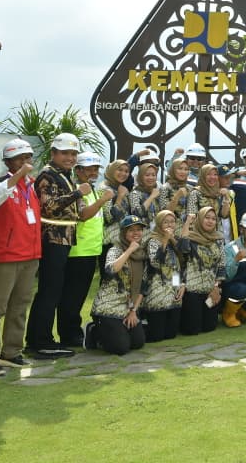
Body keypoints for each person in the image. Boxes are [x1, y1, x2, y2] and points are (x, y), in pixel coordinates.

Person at [0, 139, 41, 377]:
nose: (26, 162)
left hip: (30, 255)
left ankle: (12, 352)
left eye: (28, 158)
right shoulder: (0, 184)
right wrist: (17, 177)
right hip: (5, 257)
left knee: (19, 306)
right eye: (20, 158)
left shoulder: (31, 186)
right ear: (8, 162)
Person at [26, 133, 86, 359]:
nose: (70, 157)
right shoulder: (48, 175)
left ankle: (41, 340)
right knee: (49, 292)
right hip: (52, 238)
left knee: (53, 292)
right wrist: (78, 193)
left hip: (63, 238)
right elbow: (49, 207)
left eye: (73, 153)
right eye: (65, 153)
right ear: (54, 153)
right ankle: (40, 342)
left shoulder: (64, 175)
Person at [60, 152, 114, 348]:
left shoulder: (90, 189)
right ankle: (69, 335)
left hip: (91, 250)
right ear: (78, 170)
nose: (93, 172)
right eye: (88, 169)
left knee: (79, 295)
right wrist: (103, 200)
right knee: (72, 296)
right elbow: (83, 215)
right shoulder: (78, 189)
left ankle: (72, 333)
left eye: (95, 169)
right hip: (78, 251)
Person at [87, 215, 148, 355]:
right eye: (131, 230)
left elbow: (143, 288)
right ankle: (94, 330)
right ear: (123, 233)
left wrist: (133, 312)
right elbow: (111, 270)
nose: (136, 233)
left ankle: (116, 331)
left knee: (138, 343)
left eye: (139, 229)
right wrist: (129, 251)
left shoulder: (142, 254)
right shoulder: (115, 250)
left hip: (127, 308)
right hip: (108, 307)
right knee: (120, 348)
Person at [178, 206, 226, 335]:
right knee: (192, 330)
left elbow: (221, 264)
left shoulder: (218, 240)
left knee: (209, 327)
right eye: (207, 218)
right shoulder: (191, 238)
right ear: (199, 219)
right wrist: (188, 223)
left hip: (210, 291)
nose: (210, 221)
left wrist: (216, 287)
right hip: (192, 290)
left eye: (213, 219)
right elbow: (182, 248)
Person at [142, 210, 185, 342]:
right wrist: (166, 239)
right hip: (157, 293)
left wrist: (179, 286)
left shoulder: (174, 241)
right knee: (157, 336)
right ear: (159, 224)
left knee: (171, 334)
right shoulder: (153, 241)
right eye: (165, 222)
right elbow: (155, 262)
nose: (169, 225)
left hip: (172, 291)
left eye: (172, 222)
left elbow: (176, 268)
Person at [98, 159, 131, 268]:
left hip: (122, 240)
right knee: (108, 278)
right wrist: (120, 197)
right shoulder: (105, 189)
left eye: (126, 171)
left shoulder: (119, 188)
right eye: (120, 170)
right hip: (109, 242)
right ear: (112, 170)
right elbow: (110, 218)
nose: (123, 173)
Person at [157, 157, 192, 236]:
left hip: (188, 231)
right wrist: (177, 196)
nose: (183, 172)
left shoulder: (190, 188)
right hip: (170, 231)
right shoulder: (165, 188)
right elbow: (164, 213)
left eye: (186, 169)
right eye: (180, 168)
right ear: (173, 170)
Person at [128, 161, 161, 229]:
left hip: (157, 233)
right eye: (147, 175)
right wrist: (151, 197)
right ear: (140, 176)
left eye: (153, 175)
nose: (151, 178)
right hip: (142, 234)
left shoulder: (157, 192)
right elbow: (136, 215)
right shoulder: (135, 193)